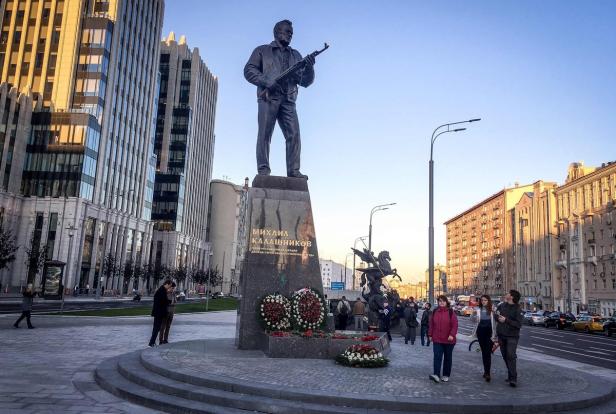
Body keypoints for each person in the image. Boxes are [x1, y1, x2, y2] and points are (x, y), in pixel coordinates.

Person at [244, 19, 317, 179]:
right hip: (269, 98)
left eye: (291, 33)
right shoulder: (262, 50)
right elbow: (249, 70)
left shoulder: (296, 55)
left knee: (294, 135)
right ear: (277, 32)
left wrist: (310, 67)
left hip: (289, 100)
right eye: (287, 31)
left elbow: (305, 81)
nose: (290, 35)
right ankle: (263, 170)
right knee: (265, 134)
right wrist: (266, 81)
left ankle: (294, 171)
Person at [496, 289, 524, 387]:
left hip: (512, 336)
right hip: (501, 335)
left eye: (508, 293)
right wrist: (497, 317)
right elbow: (496, 315)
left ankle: (513, 378)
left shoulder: (518, 309)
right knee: (505, 356)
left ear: (511, 297)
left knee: (511, 356)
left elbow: (518, 324)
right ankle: (510, 374)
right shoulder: (501, 305)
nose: (506, 294)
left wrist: (506, 320)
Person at [428, 295, 458, 383]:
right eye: (440, 301)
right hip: (437, 339)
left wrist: (452, 334)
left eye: (443, 301)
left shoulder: (451, 312)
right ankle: (436, 374)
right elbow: (431, 324)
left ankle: (446, 375)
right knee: (437, 357)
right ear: (438, 302)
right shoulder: (435, 311)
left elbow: (455, 324)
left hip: (449, 340)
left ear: (446, 302)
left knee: (447, 358)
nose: (441, 302)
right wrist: (430, 335)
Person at [469, 295, 497, 382]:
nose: (483, 301)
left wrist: (496, 335)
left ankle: (487, 373)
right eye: (482, 300)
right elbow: (472, 320)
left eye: (485, 300)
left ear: (488, 301)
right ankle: (486, 371)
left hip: (490, 333)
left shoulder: (493, 310)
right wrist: (473, 314)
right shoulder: (478, 310)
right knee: (484, 352)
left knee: (487, 353)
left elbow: (497, 321)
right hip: (481, 332)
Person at [148, 279, 172, 347]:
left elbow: (162, 300)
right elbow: (163, 301)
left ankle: (152, 342)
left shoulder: (162, 290)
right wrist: (168, 301)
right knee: (156, 328)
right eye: (169, 286)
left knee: (156, 328)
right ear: (167, 284)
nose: (169, 287)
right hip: (159, 313)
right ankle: (151, 342)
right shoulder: (162, 291)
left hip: (158, 312)